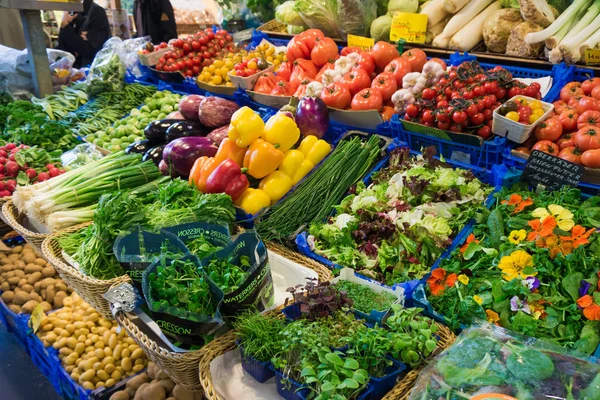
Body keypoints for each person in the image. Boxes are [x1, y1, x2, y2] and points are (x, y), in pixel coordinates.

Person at [57, 0, 111, 68]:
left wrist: (66, 27)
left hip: (92, 70)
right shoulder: (72, 12)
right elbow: (63, 48)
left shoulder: (97, 12)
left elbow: (89, 50)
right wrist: (65, 26)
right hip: (74, 71)